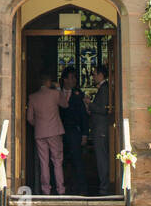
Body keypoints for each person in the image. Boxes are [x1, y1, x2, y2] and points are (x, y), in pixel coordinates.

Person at [26, 72, 71, 196]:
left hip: (40, 133)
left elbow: (29, 118)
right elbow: (65, 105)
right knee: (57, 161)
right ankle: (60, 189)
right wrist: (57, 88)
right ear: (48, 82)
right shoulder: (55, 94)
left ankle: (46, 190)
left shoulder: (33, 97)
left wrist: (39, 125)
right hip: (55, 131)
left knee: (43, 162)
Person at [59, 66, 89, 195]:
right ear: (65, 79)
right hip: (59, 131)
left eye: (75, 78)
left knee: (77, 160)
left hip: (74, 131)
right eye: (71, 78)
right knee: (61, 160)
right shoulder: (57, 93)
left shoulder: (79, 95)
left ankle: (81, 189)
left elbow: (84, 116)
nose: (74, 80)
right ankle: (62, 187)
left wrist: (84, 134)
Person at [88, 64, 111, 195]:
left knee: (102, 158)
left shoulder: (104, 89)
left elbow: (103, 109)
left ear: (101, 75)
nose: (93, 76)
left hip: (101, 129)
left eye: (95, 74)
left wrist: (89, 104)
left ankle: (104, 187)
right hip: (99, 128)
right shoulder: (103, 88)